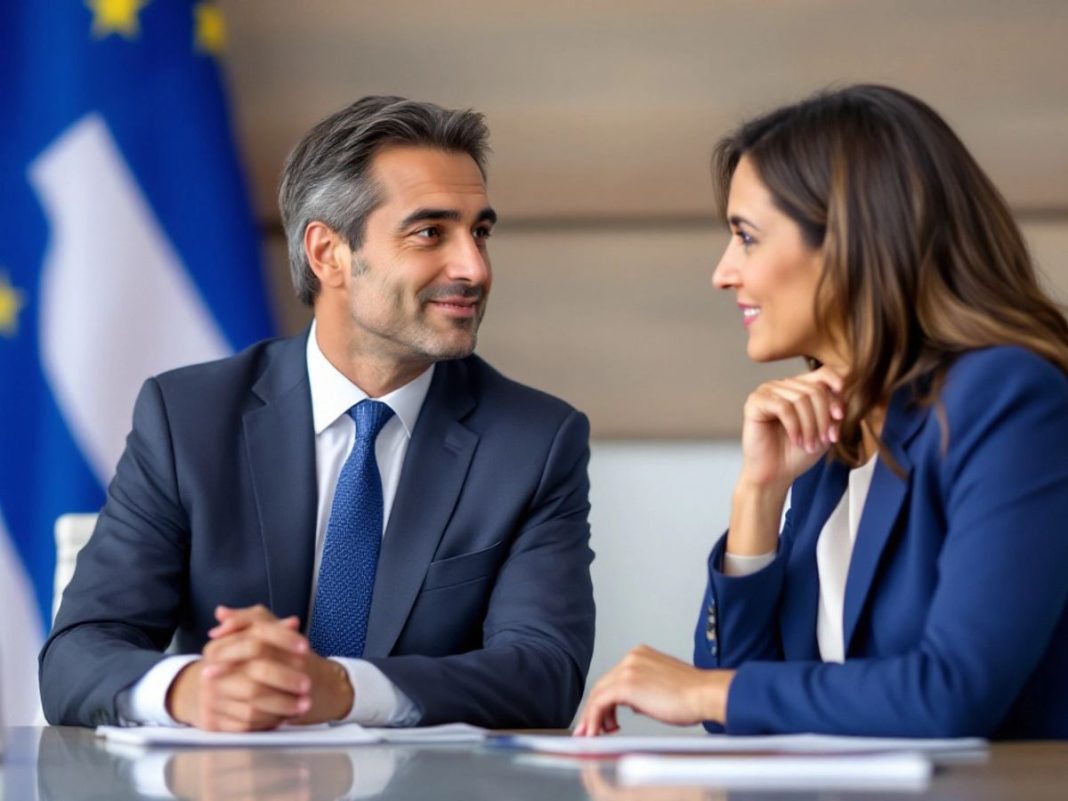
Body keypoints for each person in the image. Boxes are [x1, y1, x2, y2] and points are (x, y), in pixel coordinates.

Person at [40, 96, 595, 731]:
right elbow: (76, 658)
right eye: (430, 232)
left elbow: (544, 673)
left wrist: (342, 689)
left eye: (480, 232)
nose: (474, 267)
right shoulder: (188, 417)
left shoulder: (534, 441)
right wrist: (191, 688)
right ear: (328, 253)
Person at [576, 84, 1068, 739]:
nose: (723, 273)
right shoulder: (836, 429)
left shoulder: (1006, 395)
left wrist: (706, 690)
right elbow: (737, 721)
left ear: (849, 242)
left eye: (746, 237)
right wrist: (758, 494)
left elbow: (953, 693)